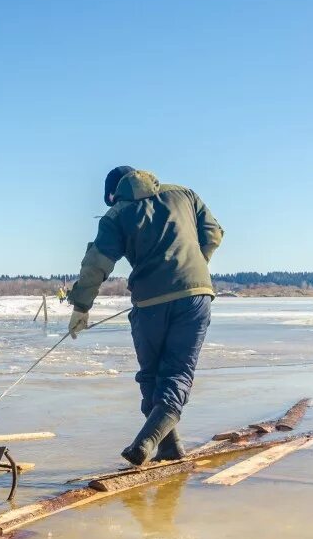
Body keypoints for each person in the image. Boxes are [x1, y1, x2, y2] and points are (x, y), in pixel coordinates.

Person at [67, 166, 223, 465]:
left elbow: (97, 263)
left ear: (112, 194)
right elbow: (213, 234)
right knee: (177, 372)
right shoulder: (184, 195)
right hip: (195, 297)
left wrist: (81, 307)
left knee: (152, 374)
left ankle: (147, 441)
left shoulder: (117, 214)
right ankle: (168, 447)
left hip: (150, 301)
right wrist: (194, 265)